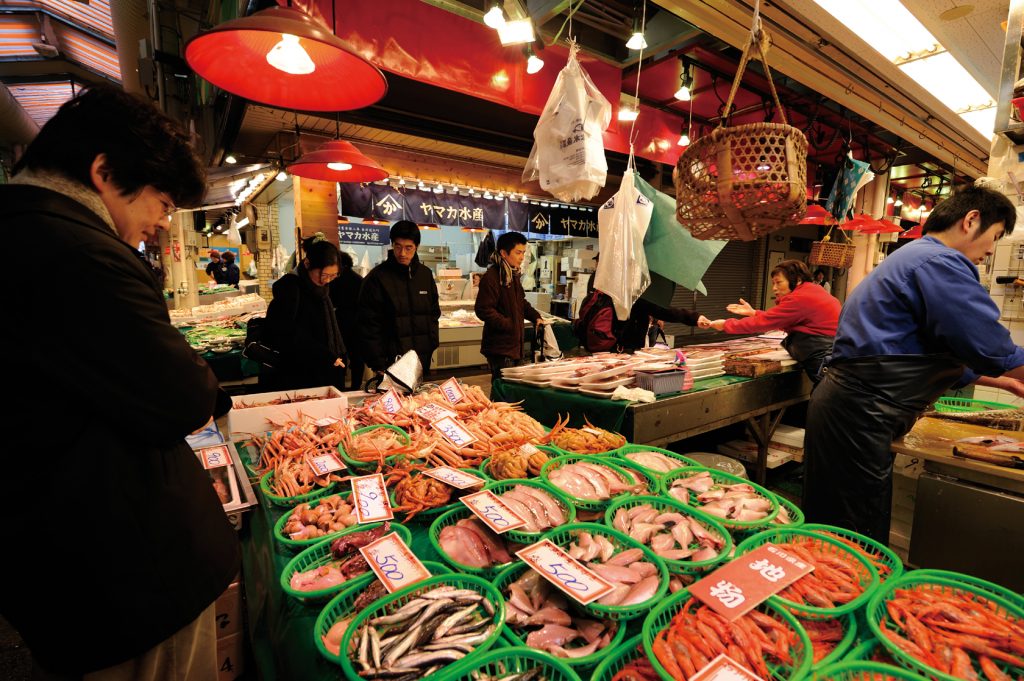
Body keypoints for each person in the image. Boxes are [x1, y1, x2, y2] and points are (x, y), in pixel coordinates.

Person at [1, 84, 238, 679]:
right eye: (160, 202)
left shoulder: (21, 232)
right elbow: (184, 395)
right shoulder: (76, 249)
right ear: (104, 171)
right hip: (127, 580)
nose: (160, 224)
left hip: (68, 570)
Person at [803, 184, 1024, 543]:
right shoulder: (940, 261)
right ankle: (848, 595)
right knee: (852, 531)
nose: (989, 250)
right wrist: (1008, 368)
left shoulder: (915, 255)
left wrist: (1005, 382)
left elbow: (928, 353)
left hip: (851, 407)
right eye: (995, 236)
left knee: (840, 521)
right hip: (861, 411)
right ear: (972, 221)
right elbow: (990, 347)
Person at [698, 260, 840, 382]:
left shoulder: (800, 298)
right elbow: (785, 318)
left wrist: (725, 325)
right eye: (773, 283)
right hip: (832, 352)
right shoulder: (812, 291)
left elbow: (764, 322)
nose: (774, 288)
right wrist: (754, 313)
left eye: (779, 282)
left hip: (822, 354)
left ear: (797, 280)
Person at [261, 234, 346, 390]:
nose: (326, 281)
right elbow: (285, 332)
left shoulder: (323, 291)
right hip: (299, 373)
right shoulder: (290, 288)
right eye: (324, 275)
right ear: (307, 264)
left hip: (323, 368)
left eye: (333, 276)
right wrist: (323, 354)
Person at [358, 220, 441, 376]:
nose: (402, 253)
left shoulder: (425, 274)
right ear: (392, 245)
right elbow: (368, 323)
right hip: (390, 362)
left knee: (418, 400)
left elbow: (434, 313)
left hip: (421, 358)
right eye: (398, 246)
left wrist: (431, 344)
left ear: (416, 247)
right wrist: (377, 362)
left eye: (408, 248)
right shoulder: (377, 277)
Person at [476, 232, 545, 378]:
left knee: (511, 390)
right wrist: (509, 324)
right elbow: (483, 309)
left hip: (514, 345)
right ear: (503, 253)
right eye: (518, 252)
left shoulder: (512, 275)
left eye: (523, 253)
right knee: (503, 391)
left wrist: (536, 317)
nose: (522, 257)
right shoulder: (492, 277)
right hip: (500, 347)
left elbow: (521, 302)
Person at [329, 251, 366, 390]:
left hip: (339, 323)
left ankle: (340, 386)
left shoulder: (334, 280)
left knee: (340, 356)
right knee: (357, 358)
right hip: (357, 324)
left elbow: (331, 301)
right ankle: (356, 386)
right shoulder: (359, 279)